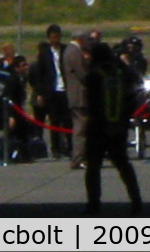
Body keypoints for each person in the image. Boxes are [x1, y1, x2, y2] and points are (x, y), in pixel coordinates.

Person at [81, 42, 143, 215]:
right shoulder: (121, 73)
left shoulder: (93, 76)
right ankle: (136, 202)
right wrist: (122, 121)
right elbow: (131, 98)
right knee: (124, 165)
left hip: (98, 127)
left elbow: (93, 104)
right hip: (119, 126)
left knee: (93, 168)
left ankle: (93, 204)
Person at [31, 25, 72, 160]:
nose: (56, 39)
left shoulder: (66, 50)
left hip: (65, 90)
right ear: (49, 38)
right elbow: (40, 75)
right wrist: (40, 94)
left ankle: (70, 147)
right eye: (53, 37)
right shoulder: (44, 54)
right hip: (52, 91)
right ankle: (56, 149)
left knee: (68, 120)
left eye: (58, 36)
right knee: (54, 121)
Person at [65, 32, 91, 167]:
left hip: (76, 94)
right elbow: (81, 72)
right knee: (80, 128)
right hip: (78, 94)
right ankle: (78, 158)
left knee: (82, 127)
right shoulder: (74, 51)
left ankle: (81, 157)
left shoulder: (72, 50)